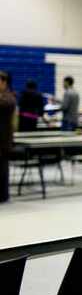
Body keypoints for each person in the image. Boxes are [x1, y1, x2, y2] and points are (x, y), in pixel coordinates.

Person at [0, 71, 16, 203]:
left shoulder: (8, 97)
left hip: (3, 139)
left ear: (4, 82)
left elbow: (4, 105)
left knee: (2, 168)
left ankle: (3, 196)